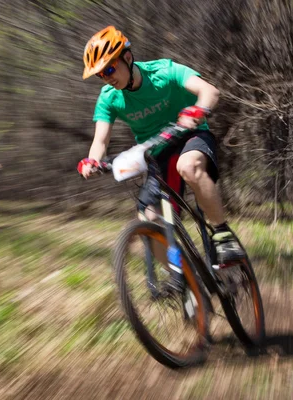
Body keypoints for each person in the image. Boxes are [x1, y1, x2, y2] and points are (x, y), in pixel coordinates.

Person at [77, 26, 244, 286]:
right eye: (100, 75)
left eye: (109, 68)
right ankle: (187, 279)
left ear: (127, 58)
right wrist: (92, 161)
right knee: (149, 221)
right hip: (158, 154)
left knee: (188, 167)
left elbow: (210, 91)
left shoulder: (164, 71)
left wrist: (198, 110)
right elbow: (100, 140)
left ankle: (223, 235)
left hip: (191, 138)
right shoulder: (109, 98)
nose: (107, 78)